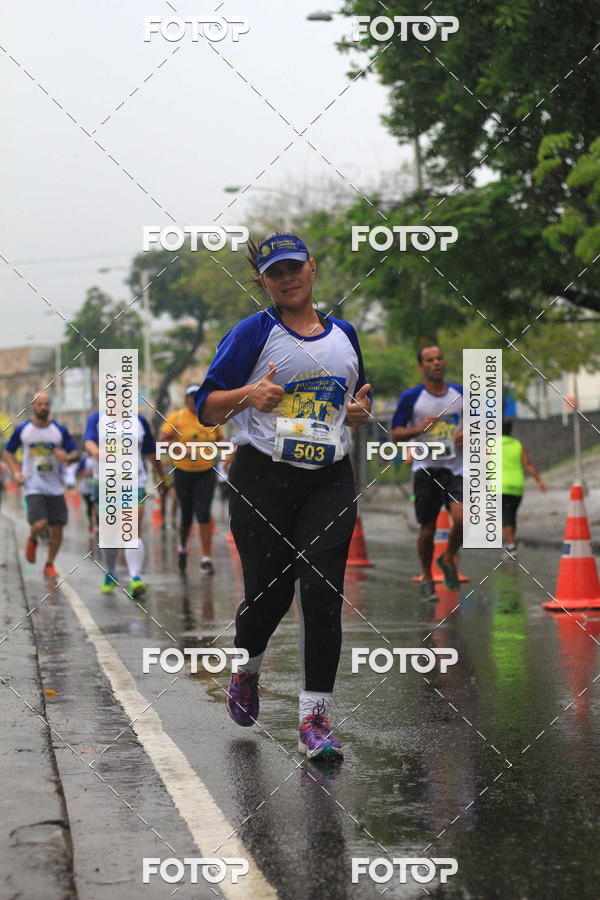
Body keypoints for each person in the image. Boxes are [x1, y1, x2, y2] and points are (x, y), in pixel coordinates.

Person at [196, 232, 371, 761]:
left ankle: (314, 718)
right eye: (276, 272)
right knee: (268, 596)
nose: (288, 277)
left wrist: (361, 413)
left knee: (321, 591)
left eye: (295, 266)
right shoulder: (252, 334)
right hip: (261, 478)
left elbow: (356, 398)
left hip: (330, 477)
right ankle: (247, 669)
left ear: (313, 268)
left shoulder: (345, 334)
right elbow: (207, 406)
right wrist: (247, 395)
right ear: (264, 283)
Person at [391, 345, 463, 599]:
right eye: (430, 360)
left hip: (456, 468)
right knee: (427, 530)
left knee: (464, 518)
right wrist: (419, 429)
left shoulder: (460, 394)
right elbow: (395, 433)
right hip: (425, 469)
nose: (436, 363)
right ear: (421, 367)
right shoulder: (411, 398)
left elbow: (480, 423)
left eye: (440, 358)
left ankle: (449, 558)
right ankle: (427, 575)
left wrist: (470, 434)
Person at [84, 410, 164, 597]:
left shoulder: (140, 421)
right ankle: (111, 573)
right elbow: (88, 441)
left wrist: (161, 477)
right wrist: (96, 451)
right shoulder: (97, 419)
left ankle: (135, 577)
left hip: (134, 482)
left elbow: (152, 452)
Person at [4, 392, 78, 578]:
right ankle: (32, 537)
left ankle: (49, 564)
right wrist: (16, 472)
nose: (43, 407)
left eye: (46, 404)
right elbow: (8, 452)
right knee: (40, 523)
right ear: (33, 406)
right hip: (32, 484)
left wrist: (67, 457)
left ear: (50, 406)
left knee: (58, 526)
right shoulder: (23, 430)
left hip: (55, 485)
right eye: (39, 404)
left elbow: (75, 452)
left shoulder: (59, 430)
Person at [159, 385, 225, 574]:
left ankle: (206, 558)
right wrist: (179, 449)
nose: (194, 400)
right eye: (191, 396)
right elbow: (163, 441)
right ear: (186, 399)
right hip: (183, 471)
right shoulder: (177, 418)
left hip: (206, 471)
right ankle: (182, 547)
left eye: (198, 396)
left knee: (203, 512)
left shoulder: (210, 417)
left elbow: (221, 439)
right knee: (186, 514)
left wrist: (226, 448)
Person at [501, 419, 547, 553]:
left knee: (505, 515)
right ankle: (510, 543)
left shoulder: (491, 445)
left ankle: (511, 545)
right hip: (517, 486)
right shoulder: (517, 445)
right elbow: (528, 465)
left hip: (499, 486)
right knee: (511, 514)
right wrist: (539, 481)